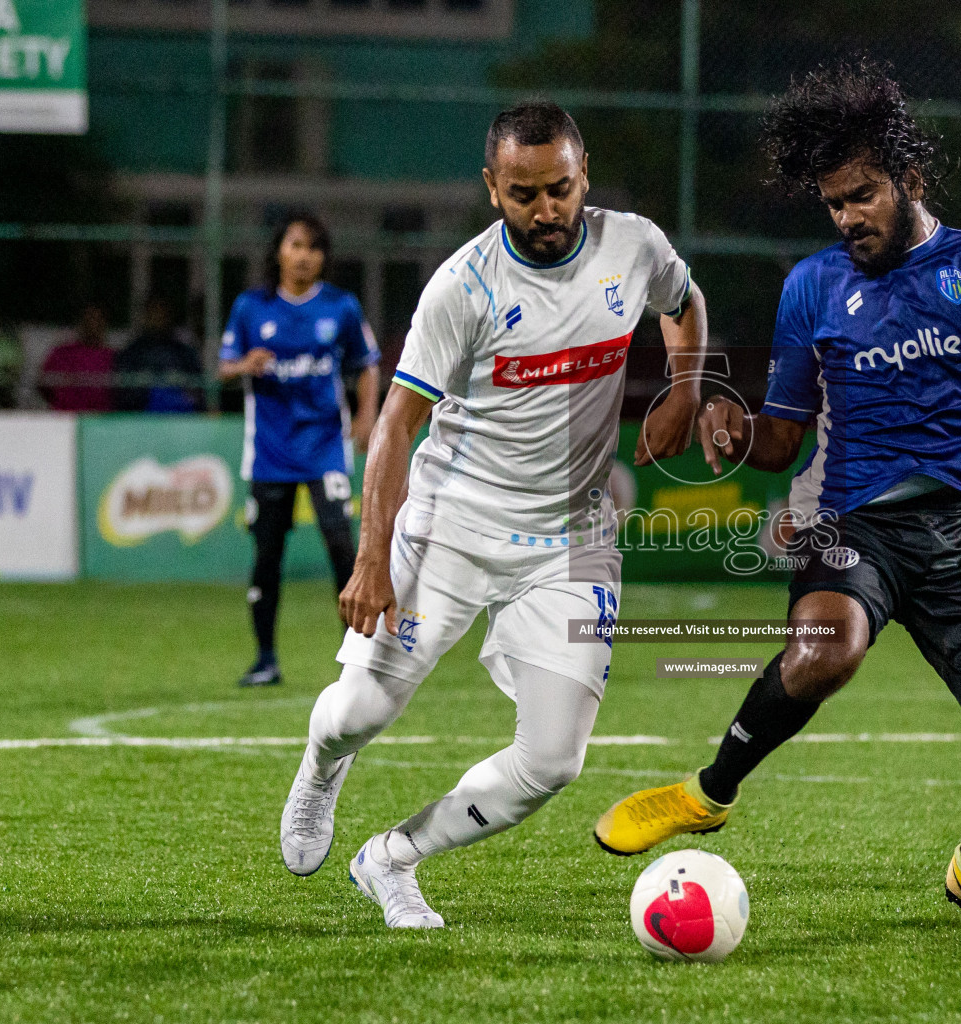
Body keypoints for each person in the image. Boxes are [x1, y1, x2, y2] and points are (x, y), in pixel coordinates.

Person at [592, 60, 961, 929]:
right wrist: (734, 430)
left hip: (952, 541)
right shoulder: (814, 287)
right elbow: (781, 438)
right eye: (834, 204)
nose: (848, 217)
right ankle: (707, 794)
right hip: (850, 522)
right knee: (828, 652)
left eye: (863, 195)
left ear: (912, 181)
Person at [277, 102, 705, 929]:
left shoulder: (633, 245)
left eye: (561, 188)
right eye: (523, 194)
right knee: (363, 710)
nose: (546, 211)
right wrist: (372, 558)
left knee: (552, 760)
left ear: (583, 173)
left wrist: (685, 385)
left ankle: (391, 859)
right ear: (491, 188)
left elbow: (683, 302)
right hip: (453, 528)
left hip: (573, 539)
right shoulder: (462, 287)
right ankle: (322, 766)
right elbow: (396, 424)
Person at [218, 212, 381, 688]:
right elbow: (223, 366)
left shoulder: (340, 307)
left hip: (325, 443)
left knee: (341, 547)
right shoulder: (252, 307)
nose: (305, 255)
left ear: (323, 257)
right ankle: (265, 658)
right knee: (267, 555)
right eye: (295, 245)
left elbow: (368, 364)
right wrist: (245, 364)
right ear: (278, 252)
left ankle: (357, 662)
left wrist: (367, 415)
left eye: (314, 247)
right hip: (269, 451)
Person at [115, 297, 205, 413]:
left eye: (162, 313)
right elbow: (123, 395)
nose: (158, 317)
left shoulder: (184, 352)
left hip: (180, 420)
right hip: (141, 420)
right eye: (154, 312)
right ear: (146, 316)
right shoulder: (132, 352)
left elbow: (198, 390)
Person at [39, 306, 115, 412]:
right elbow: (44, 384)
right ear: (81, 323)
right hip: (65, 419)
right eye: (89, 320)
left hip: (100, 420)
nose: (92, 324)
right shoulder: (62, 353)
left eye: (97, 320)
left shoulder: (114, 357)